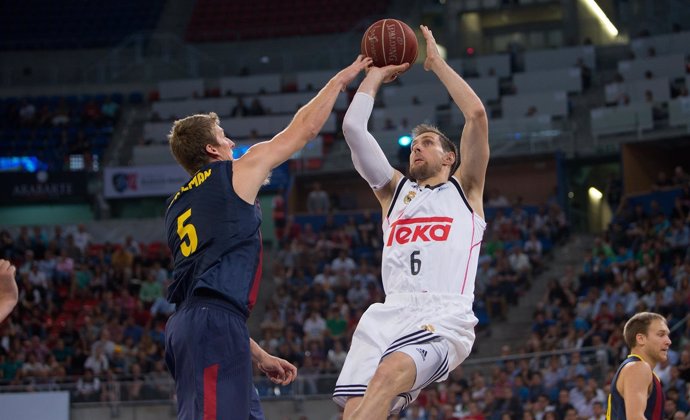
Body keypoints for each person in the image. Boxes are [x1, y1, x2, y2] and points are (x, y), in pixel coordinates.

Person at [163, 55, 371, 420]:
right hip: (212, 327)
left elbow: (204, 294)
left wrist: (257, 354)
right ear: (212, 150)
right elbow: (302, 131)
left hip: (201, 326)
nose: (231, 142)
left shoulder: (177, 206)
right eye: (223, 137)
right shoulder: (231, 174)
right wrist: (342, 79)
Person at [333, 25, 489, 420]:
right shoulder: (393, 192)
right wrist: (374, 74)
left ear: (449, 157)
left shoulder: (466, 191)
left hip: (444, 315)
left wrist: (436, 64)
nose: (417, 147)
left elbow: (475, 115)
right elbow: (353, 129)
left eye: (428, 143)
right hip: (390, 312)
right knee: (355, 411)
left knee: (388, 374)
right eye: (414, 145)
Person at [607, 312, 671, 420]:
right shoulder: (638, 368)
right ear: (641, 339)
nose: (668, 341)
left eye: (667, 335)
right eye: (661, 334)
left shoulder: (639, 370)